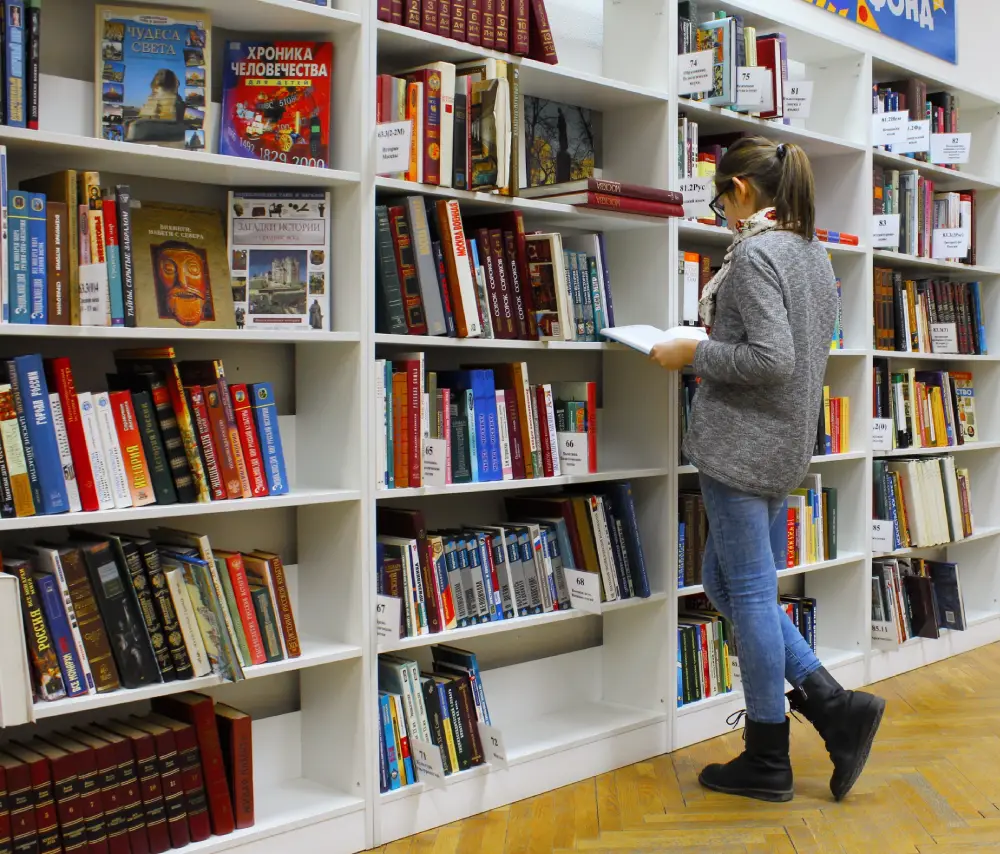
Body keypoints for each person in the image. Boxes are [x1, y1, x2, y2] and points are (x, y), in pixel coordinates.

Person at [650, 137, 884, 803]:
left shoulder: (754, 254)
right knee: (722, 581)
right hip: (783, 443)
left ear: (742, 192)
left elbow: (771, 359)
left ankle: (768, 756)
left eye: (721, 199)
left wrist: (693, 352)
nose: (721, 212)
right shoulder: (812, 252)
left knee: (747, 592)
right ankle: (832, 702)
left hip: (741, 445)